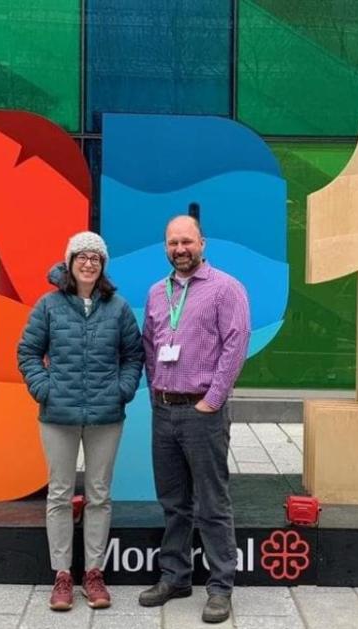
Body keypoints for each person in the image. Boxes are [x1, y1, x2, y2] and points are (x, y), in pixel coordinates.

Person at [18, 231, 144, 611]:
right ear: (69, 263)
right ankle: (61, 575)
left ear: (102, 266)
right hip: (58, 415)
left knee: (99, 494)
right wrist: (44, 389)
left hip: (106, 415)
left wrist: (122, 389)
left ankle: (93, 572)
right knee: (59, 493)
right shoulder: (48, 306)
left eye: (95, 257)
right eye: (81, 256)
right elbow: (27, 352)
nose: (88, 263)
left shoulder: (118, 308)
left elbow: (134, 355)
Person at [137, 215, 251, 624]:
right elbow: (151, 346)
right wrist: (155, 393)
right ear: (165, 247)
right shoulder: (156, 292)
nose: (179, 249)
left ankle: (220, 587)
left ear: (202, 243)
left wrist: (213, 400)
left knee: (212, 503)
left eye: (186, 241)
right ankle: (176, 576)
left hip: (204, 411)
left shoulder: (225, 288)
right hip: (164, 410)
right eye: (172, 243)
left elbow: (236, 345)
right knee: (174, 502)